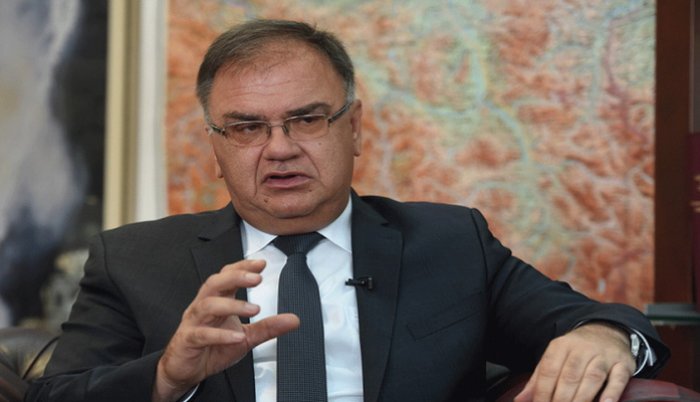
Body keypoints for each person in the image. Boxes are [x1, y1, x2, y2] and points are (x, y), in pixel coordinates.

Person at [26, 19, 668, 402]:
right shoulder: (135, 259)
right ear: (215, 147)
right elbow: (52, 395)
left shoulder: (450, 243)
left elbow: (603, 319)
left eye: (306, 119)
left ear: (353, 127)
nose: (280, 149)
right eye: (246, 128)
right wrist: (167, 377)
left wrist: (602, 335)